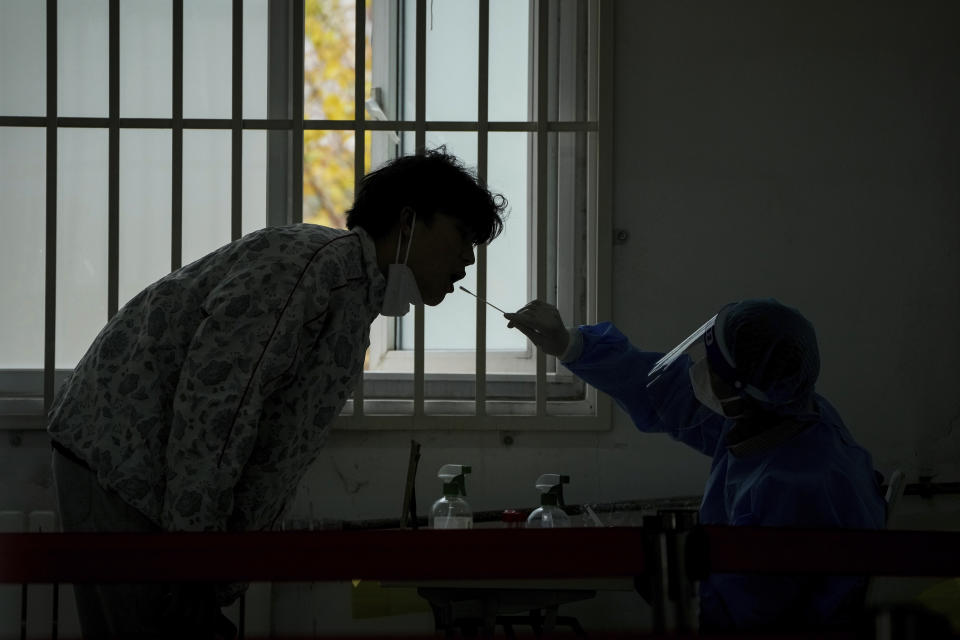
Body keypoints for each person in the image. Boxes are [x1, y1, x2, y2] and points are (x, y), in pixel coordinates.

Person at [47, 148, 506, 639]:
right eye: (462, 235)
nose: (469, 257)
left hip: (160, 495)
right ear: (410, 220)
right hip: (123, 468)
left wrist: (210, 562)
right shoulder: (311, 270)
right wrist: (192, 561)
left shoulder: (351, 297)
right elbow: (215, 415)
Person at [505, 298, 886, 633]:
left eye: (713, 368)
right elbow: (664, 393)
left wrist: (664, 577)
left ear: (741, 389)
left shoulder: (795, 486)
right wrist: (570, 345)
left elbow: (746, 615)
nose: (699, 374)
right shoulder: (783, 417)